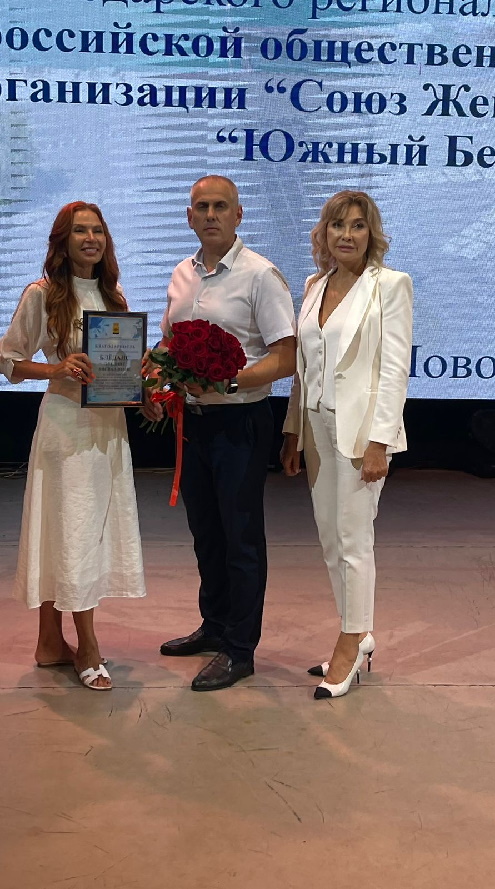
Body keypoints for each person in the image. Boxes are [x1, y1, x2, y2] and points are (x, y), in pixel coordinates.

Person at [143, 175, 296, 691]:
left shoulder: (260, 275)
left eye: (221, 206)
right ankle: (214, 625)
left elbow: (285, 357)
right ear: (189, 217)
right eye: (202, 207)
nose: (211, 215)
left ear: (238, 215)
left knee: (240, 538)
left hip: (240, 422)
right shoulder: (181, 274)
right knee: (206, 533)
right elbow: (168, 345)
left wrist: (229, 381)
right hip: (192, 423)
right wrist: (156, 379)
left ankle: (239, 649)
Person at [0, 202, 146, 690]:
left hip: (107, 427)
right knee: (75, 531)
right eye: (80, 231)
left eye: (98, 230)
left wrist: (145, 391)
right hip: (66, 431)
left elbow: (122, 368)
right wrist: (55, 368)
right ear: (62, 241)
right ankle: (87, 646)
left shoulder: (114, 296)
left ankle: (49, 642)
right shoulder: (41, 294)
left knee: (67, 532)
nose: (91, 239)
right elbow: (8, 359)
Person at [280, 190, 413, 700]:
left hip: (362, 435)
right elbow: (304, 368)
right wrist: (292, 430)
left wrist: (380, 441)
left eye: (358, 225)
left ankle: (350, 641)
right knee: (332, 541)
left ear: (371, 233)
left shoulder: (390, 285)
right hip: (316, 428)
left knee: (355, 542)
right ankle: (359, 631)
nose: (347, 235)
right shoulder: (314, 286)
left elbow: (394, 370)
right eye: (338, 225)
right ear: (325, 233)